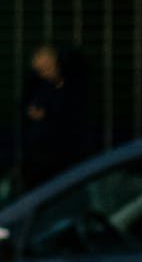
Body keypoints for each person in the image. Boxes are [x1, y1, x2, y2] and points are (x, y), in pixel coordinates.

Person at [18, 42, 90, 191]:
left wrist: (46, 114)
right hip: (39, 157)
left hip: (62, 156)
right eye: (40, 70)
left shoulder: (71, 88)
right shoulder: (38, 86)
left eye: (47, 67)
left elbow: (70, 117)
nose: (44, 72)